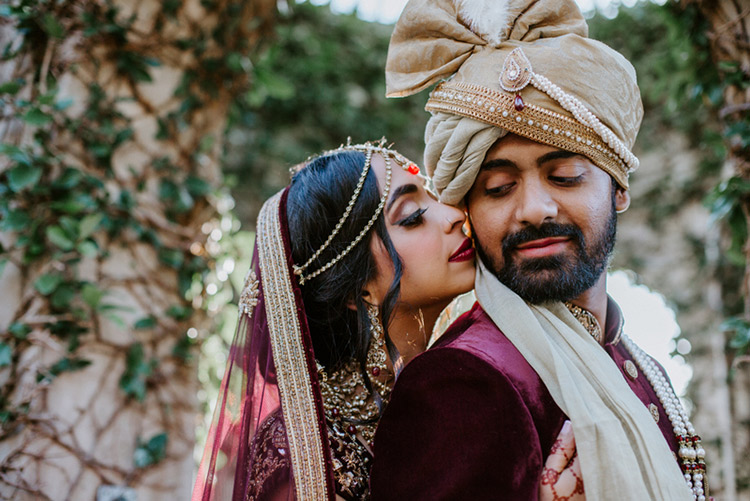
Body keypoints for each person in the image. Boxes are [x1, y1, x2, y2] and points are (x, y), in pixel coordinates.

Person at [370, 0, 708, 500]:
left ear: (618, 188)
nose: (534, 209)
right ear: (465, 207)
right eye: (498, 187)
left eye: (564, 175)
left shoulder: (641, 367)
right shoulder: (461, 382)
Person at [192, 141, 581, 500]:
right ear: (356, 290)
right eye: (412, 217)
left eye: (436, 196)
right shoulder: (302, 448)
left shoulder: (457, 388)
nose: (453, 215)